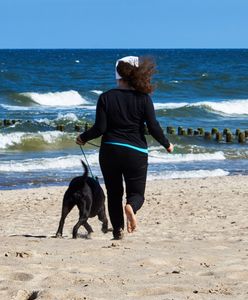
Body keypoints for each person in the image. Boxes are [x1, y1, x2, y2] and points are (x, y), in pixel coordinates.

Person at [76, 56, 173, 240]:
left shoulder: (105, 97)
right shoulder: (144, 99)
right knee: (136, 194)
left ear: (118, 75)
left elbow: (100, 129)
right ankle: (131, 207)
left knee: (113, 193)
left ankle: (118, 230)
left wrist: (82, 138)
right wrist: (167, 144)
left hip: (110, 151)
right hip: (135, 153)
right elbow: (153, 127)